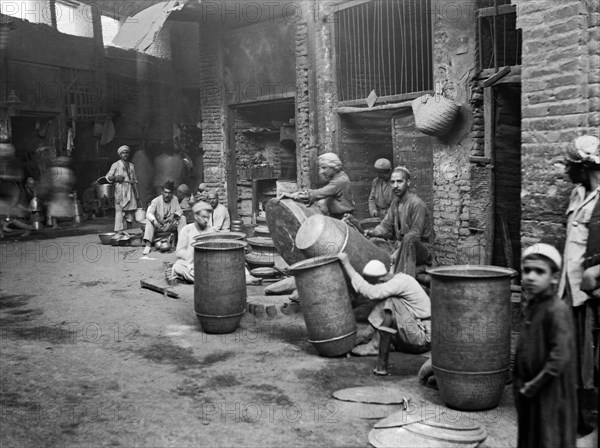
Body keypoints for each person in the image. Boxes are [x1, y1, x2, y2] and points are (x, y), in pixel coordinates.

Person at [514, 243, 577, 448]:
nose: (531, 277)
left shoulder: (557, 310)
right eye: (527, 270)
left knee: (549, 437)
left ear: (554, 277)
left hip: (549, 391)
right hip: (530, 390)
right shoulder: (533, 307)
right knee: (531, 436)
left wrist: (534, 385)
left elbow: (560, 356)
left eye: (539, 271)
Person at [558, 134, 600, 434]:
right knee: (570, 353)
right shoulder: (577, 194)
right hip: (570, 290)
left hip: (592, 292)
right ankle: (576, 417)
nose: (566, 171)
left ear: (584, 167)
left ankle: (585, 417)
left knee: (590, 358)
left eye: (570, 166)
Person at [337, 253, 430, 376]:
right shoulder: (398, 278)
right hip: (414, 332)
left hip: (422, 338)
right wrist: (362, 336)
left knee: (389, 301)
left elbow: (371, 292)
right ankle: (369, 338)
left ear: (380, 280)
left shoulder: (399, 283)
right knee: (389, 302)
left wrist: (346, 264)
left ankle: (375, 346)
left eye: (373, 283)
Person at [365, 166, 432, 278]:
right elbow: (386, 225)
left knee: (408, 239)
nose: (395, 186)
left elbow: (415, 234)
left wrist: (399, 252)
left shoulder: (417, 204)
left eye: (399, 181)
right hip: (401, 246)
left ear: (408, 182)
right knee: (373, 242)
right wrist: (373, 232)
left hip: (420, 250)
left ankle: (403, 281)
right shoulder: (395, 202)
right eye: (392, 182)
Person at [285, 152, 355, 219]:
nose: (321, 172)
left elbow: (317, 194)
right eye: (320, 168)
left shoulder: (339, 181)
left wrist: (294, 195)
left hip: (341, 217)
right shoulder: (340, 176)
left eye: (324, 168)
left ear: (334, 167)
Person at [168, 201, 215, 284]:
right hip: (190, 264)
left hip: (208, 264)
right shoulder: (187, 230)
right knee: (178, 266)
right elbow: (178, 252)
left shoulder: (211, 231)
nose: (206, 220)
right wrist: (192, 252)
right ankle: (204, 279)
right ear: (196, 216)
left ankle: (203, 278)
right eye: (204, 217)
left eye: (208, 217)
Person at [142, 180, 186, 256]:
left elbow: (180, 210)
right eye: (165, 192)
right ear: (162, 192)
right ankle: (148, 246)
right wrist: (154, 221)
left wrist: (173, 215)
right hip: (158, 226)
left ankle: (182, 244)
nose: (167, 195)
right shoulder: (156, 201)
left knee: (183, 218)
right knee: (149, 221)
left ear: (172, 193)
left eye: (169, 193)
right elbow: (148, 213)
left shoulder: (174, 199)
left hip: (169, 225)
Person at [106, 145, 139, 232]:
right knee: (119, 213)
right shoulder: (116, 164)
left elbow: (134, 180)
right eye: (123, 153)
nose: (125, 154)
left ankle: (130, 232)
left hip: (130, 190)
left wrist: (137, 194)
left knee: (130, 213)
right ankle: (118, 233)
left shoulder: (131, 166)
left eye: (127, 153)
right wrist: (116, 177)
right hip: (120, 190)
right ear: (120, 155)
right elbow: (108, 177)